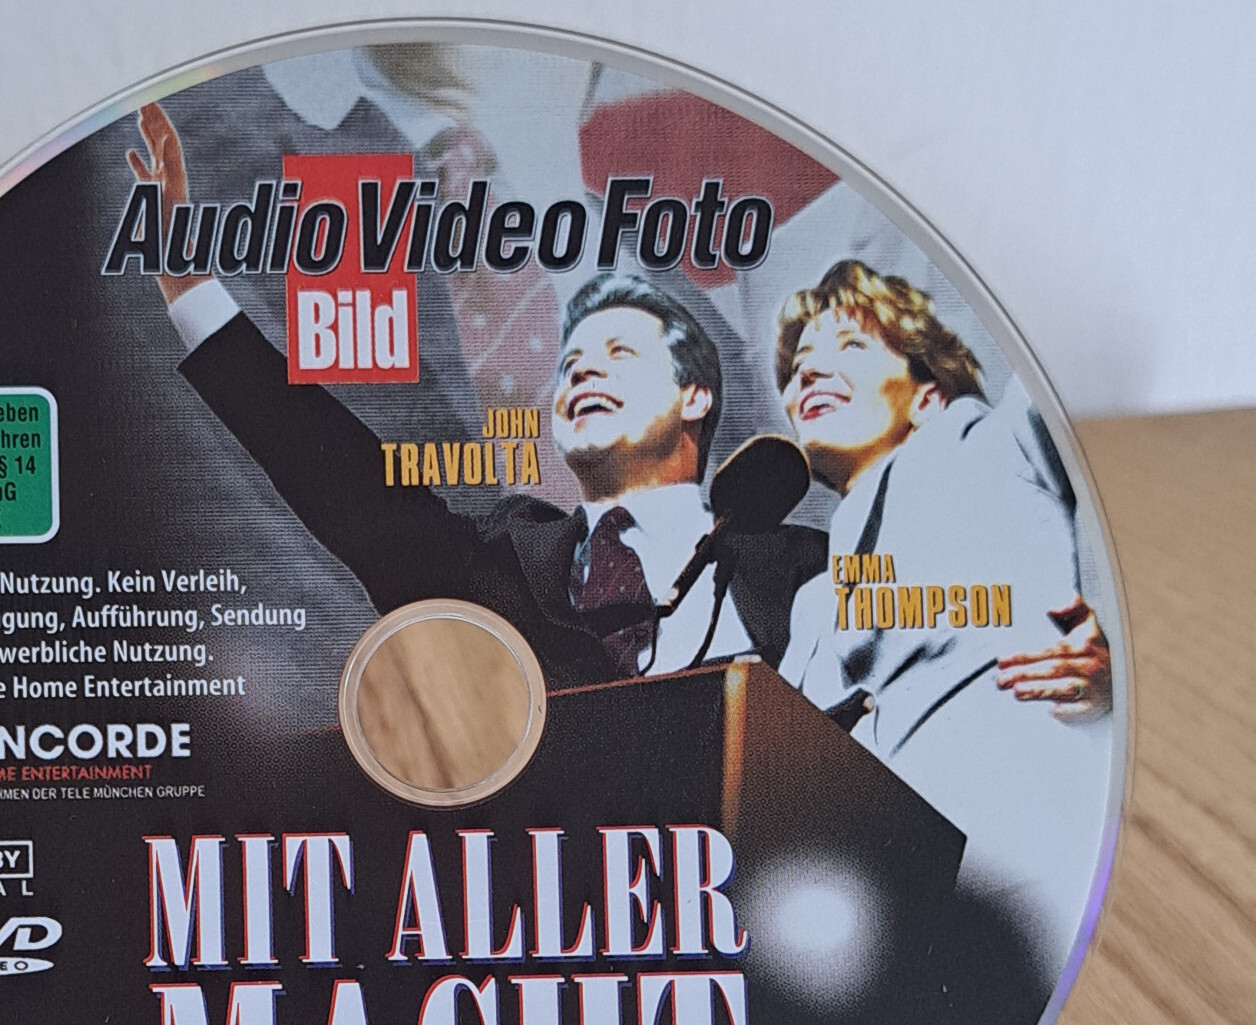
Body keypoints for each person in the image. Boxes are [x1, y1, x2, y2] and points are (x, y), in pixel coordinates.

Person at [127, 102, 825, 687]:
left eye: (620, 353)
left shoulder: (806, 569)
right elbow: (342, 481)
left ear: (695, 397)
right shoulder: (502, 563)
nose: (583, 372)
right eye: (572, 362)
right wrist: (192, 292)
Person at [774, 261, 1113, 971]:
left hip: (1038, 867)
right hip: (896, 930)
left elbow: (1149, 434)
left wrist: (1134, 666)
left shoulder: (999, 442)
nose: (808, 374)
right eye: (799, 365)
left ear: (928, 396)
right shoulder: (810, 607)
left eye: (851, 346)